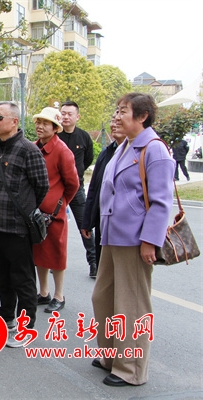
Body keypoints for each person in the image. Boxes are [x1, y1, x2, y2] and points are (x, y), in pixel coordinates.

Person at [91, 93, 174, 387]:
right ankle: (111, 355)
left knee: (132, 304)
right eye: (116, 110)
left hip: (135, 239)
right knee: (103, 297)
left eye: (123, 111)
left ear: (142, 116)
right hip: (112, 235)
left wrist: (150, 240)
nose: (117, 116)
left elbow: (161, 201)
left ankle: (131, 369)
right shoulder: (124, 146)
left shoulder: (154, 149)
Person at [0, 102, 49, 347]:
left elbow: (41, 186)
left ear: (14, 121)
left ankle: (25, 328)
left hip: (18, 228)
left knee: (22, 279)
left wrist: (24, 207)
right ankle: (6, 319)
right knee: (2, 277)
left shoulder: (28, 150)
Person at [33, 107, 79, 313]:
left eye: (46, 123)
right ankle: (43, 292)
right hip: (36, 212)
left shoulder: (62, 151)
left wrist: (60, 203)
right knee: (39, 252)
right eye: (38, 122)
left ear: (55, 128)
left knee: (57, 253)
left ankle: (59, 295)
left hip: (54, 213)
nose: (40, 126)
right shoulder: (33, 147)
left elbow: (73, 184)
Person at [80, 113, 126, 277]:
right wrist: (87, 222)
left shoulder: (137, 153)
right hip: (103, 222)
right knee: (104, 272)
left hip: (124, 226)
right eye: (112, 120)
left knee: (123, 276)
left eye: (118, 121)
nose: (114, 124)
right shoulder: (106, 153)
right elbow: (94, 189)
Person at [58, 101, 97, 277]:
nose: (66, 117)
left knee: (85, 226)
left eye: (69, 114)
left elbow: (88, 159)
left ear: (77, 117)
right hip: (57, 189)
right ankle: (52, 260)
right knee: (53, 227)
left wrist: (76, 174)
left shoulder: (83, 137)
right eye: (63, 113)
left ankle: (94, 262)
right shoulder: (55, 135)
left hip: (77, 188)